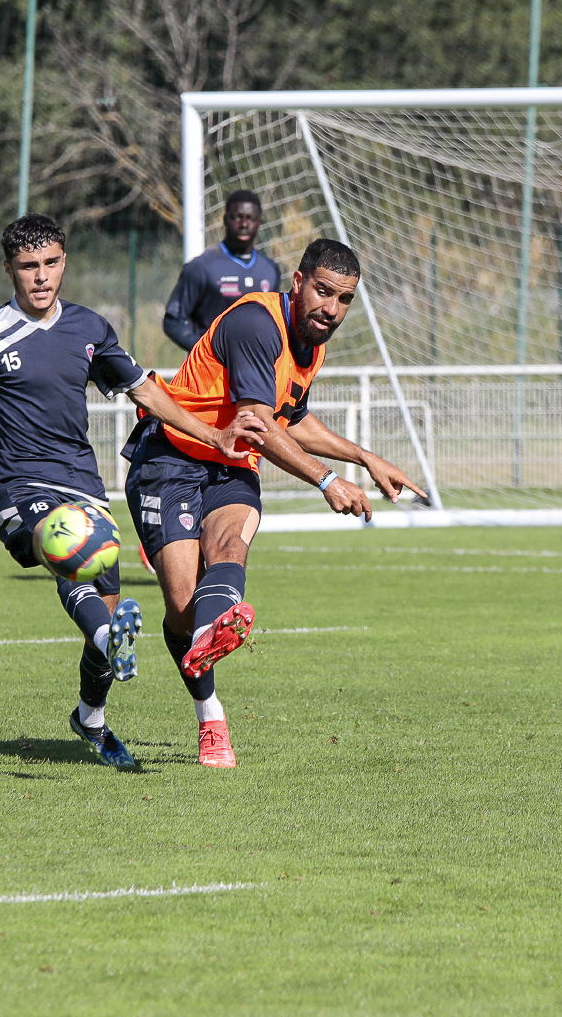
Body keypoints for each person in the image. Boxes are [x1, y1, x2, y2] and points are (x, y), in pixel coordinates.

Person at [0, 214, 264, 769]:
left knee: (99, 617)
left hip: (84, 486)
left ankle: (91, 713)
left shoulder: (89, 329)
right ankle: (112, 633)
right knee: (64, 549)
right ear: (9, 269)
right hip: (19, 484)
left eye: (50, 263)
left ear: (64, 261)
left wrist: (212, 433)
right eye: (27, 267)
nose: (40, 277)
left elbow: (146, 391)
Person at [124, 238, 427, 768]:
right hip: (170, 456)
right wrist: (329, 480)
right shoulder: (256, 324)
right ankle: (208, 694)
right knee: (179, 604)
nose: (331, 309)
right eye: (323, 292)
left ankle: (210, 697)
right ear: (297, 282)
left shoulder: (313, 344)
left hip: (231, 462)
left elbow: (291, 418)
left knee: (228, 546)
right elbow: (262, 426)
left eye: (344, 299)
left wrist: (365, 456)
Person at [163, 190, 282, 352]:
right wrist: (206, 352)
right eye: (237, 217)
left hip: (255, 370)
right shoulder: (201, 267)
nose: (244, 224)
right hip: (211, 373)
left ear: (259, 222)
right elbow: (172, 321)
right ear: (225, 219)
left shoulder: (270, 269)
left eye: (250, 218)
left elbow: (274, 322)